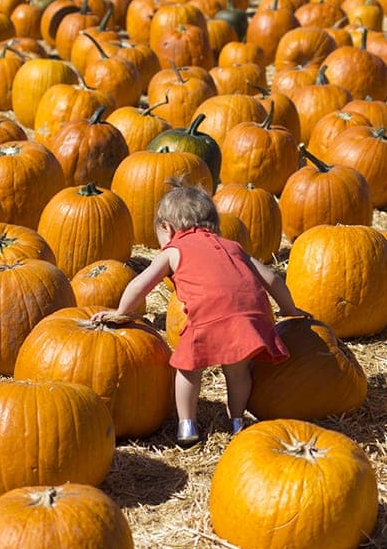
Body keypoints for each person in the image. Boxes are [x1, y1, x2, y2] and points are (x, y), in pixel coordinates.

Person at [92, 184, 305, 447]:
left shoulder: (173, 250)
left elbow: (141, 284)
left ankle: (187, 425)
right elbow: (272, 277)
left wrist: (122, 312)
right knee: (238, 371)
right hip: (250, 313)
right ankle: (238, 421)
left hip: (210, 314)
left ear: (167, 228)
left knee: (188, 369)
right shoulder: (233, 246)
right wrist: (289, 310)